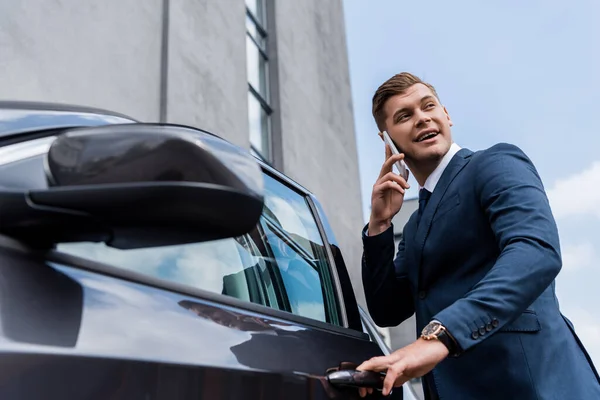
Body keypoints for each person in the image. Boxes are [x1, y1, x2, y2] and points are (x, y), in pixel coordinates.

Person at [357, 72, 600, 399]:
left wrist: (440, 336)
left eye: (428, 106)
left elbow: (535, 250)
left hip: (532, 386)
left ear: (447, 115)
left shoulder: (494, 163)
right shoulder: (413, 225)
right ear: (386, 139)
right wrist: (380, 225)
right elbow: (387, 309)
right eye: (405, 116)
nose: (422, 118)